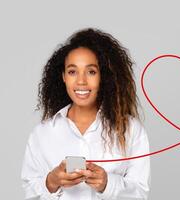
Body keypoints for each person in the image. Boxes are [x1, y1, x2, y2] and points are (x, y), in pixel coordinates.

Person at [21, 28, 150, 200]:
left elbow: (140, 194)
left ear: (103, 76)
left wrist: (107, 184)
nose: (81, 81)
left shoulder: (131, 130)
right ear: (63, 76)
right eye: (72, 71)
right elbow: (29, 190)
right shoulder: (42, 133)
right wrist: (51, 181)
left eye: (91, 72)